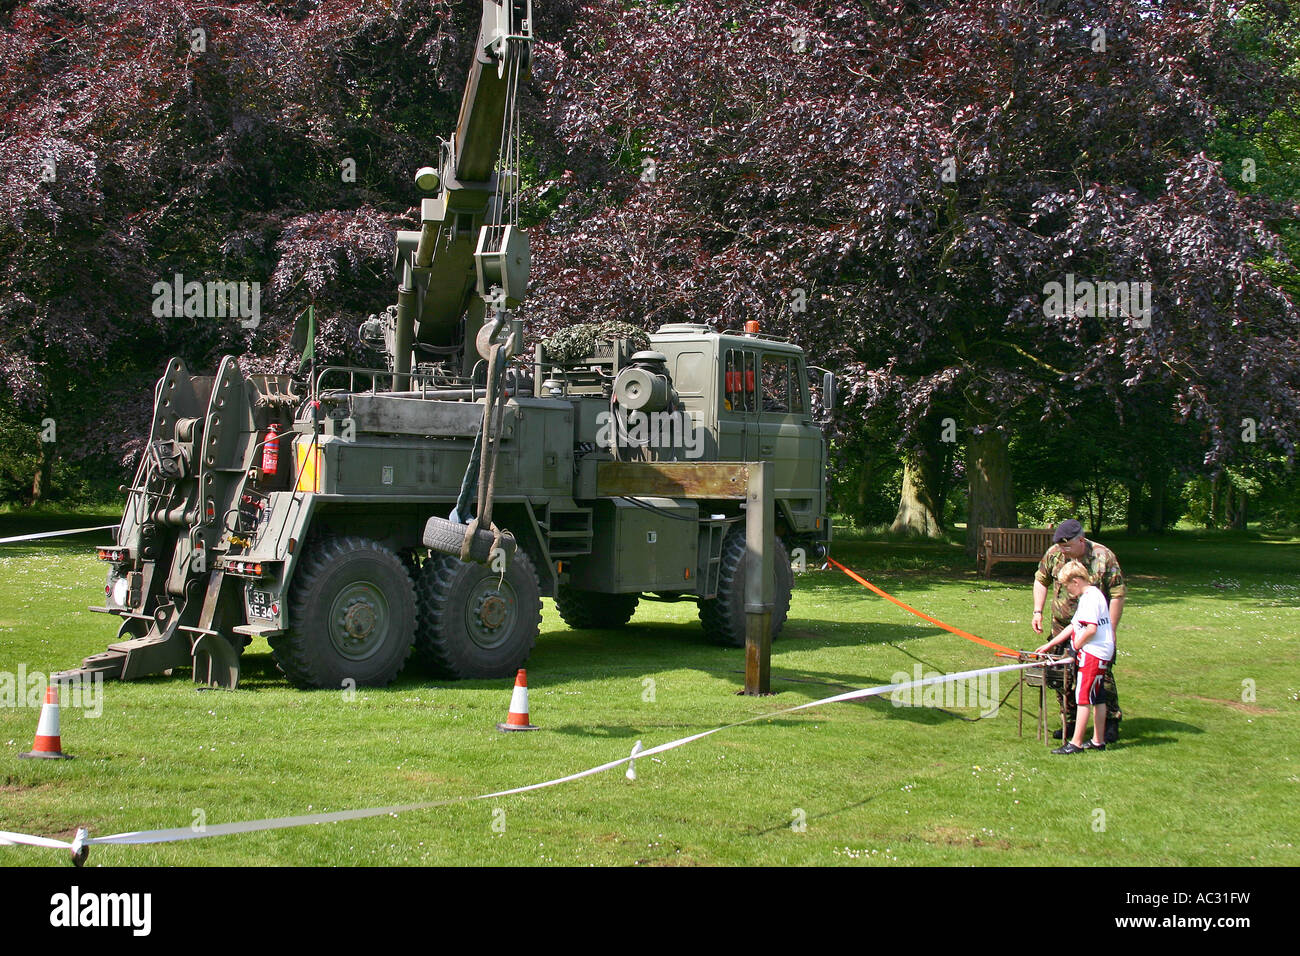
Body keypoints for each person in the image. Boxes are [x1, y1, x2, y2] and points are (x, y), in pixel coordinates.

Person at [1031, 518, 1126, 741]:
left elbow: (1117, 594)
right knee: (1061, 675)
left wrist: (1109, 631)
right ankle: (1071, 721)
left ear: (1081, 540)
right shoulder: (1054, 554)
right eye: (1061, 546)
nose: (1063, 550)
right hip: (1062, 626)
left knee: (1100, 676)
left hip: (1094, 629)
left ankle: (1110, 722)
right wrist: (1037, 611)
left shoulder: (1103, 557)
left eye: (1068, 546)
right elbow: (1040, 580)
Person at [1035, 560, 1114, 753]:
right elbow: (1074, 625)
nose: (1067, 590)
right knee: (1098, 696)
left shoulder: (1089, 598)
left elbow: (1090, 629)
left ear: (1076, 581)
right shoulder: (1093, 595)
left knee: (1083, 697)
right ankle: (1097, 740)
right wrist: (1051, 644)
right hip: (1101, 651)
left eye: (1067, 585)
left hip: (1093, 653)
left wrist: (1076, 646)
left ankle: (1076, 743)